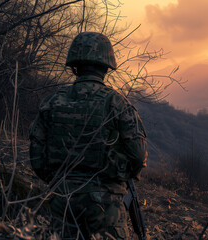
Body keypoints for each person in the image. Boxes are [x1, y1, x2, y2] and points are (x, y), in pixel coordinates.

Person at [29, 32, 147, 239]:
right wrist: (116, 176)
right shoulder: (117, 103)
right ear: (106, 65)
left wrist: (58, 180)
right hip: (104, 202)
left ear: (75, 64)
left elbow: (37, 153)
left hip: (61, 198)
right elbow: (138, 155)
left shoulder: (52, 101)